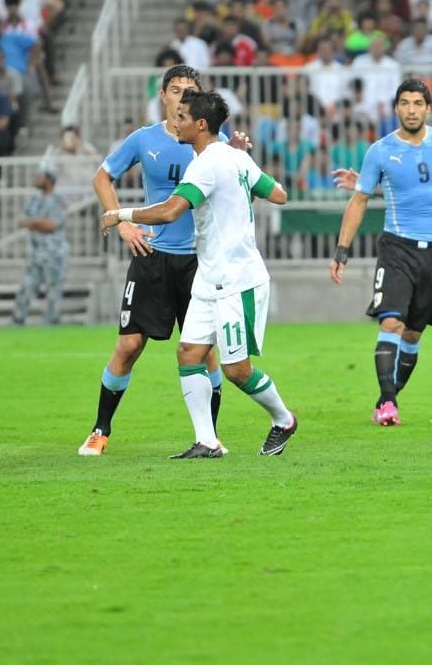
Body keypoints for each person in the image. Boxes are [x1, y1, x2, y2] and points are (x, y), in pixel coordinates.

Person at [100, 91, 296, 459]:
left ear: (201, 125)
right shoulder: (234, 157)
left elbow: (172, 210)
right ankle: (207, 441)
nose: (176, 121)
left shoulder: (207, 164)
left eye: (183, 116)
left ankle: (283, 419)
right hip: (209, 276)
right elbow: (280, 194)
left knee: (237, 370)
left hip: (237, 279)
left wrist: (121, 215)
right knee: (189, 352)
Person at [79, 65, 248, 456]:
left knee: (205, 352)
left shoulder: (215, 142)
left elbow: (238, 189)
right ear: (163, 96)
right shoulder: (144, 139)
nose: (181, 97)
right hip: (152, 257)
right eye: (175, 90)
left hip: (198, 262)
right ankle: (100, 430)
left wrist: (237, 158)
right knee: (128, 346)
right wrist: (122, 224)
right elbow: (102, 177)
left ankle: (209, 437)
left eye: (189, 91)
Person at [329, 79, 432, 427]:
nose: (411, 109)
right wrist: (342, 249)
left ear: (427, 108)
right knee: (391, 321)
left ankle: (387, 397)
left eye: (417, 103)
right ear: (396, 108)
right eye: (405, 103)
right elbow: (360, 199)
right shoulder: (379, 151)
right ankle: (388, 403)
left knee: (413, 333)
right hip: (397, 247)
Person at [12, 168, 68, 326]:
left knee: (53, 288)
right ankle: (18, 318)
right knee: (27, 286)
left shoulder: (58, 200)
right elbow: (22, 221)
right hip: (35, 251)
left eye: (41, 176)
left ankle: (51, 321)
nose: (37, 179)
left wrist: (34, 222)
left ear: (49, 180)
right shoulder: (33, 200)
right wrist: (38, 222)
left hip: (54, 252)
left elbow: (52, 225)